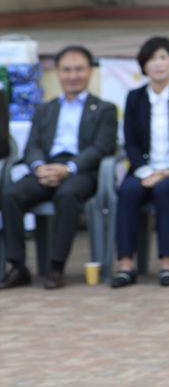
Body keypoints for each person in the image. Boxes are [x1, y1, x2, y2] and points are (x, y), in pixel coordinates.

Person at [1, 46, 117, 290]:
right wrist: (39, 166)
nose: (73, 75)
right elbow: (31, 145)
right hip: (46, 168)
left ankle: (55, 266)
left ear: (89, 72)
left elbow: (101, 148)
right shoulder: (45, 109)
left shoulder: (104, 109)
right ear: (57, 73)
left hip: (81, 172)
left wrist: (70, 168)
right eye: (67, 70)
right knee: (11, 194)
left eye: (79, 69)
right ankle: (18, 266)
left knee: (67, 194)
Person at [112, 37, 169, 288]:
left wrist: (166, 172)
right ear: (143, 65)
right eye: (152, 59)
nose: (158, 64)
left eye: (164, 57)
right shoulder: (134, 98)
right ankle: (125, 265)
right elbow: (130, 142)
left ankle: (167, 264)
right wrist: (145, 171)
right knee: (128, 190)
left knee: (165, 190)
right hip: (145, 169)